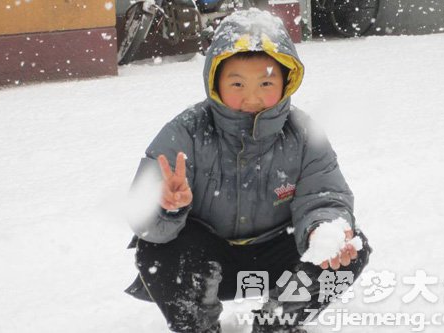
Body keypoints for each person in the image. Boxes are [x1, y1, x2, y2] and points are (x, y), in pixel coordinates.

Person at [125, 8, 372, 333]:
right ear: (215, 81)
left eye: (266, 82)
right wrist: (167, 208)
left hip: (280, 262)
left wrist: (323, 231)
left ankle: (279, 320)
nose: (252, 97)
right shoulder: (186, 132)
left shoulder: (303, 134)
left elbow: (324, 196)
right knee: (155, 250)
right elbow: (144, 220)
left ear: (286, 81)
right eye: (237, 83)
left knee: (350, 247)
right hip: (209, 266)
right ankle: (197, 326)